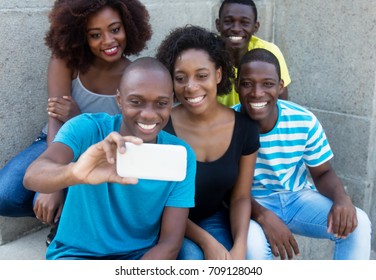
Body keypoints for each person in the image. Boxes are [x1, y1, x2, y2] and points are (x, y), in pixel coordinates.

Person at [0, 0, 152, 245]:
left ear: (129, 27)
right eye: (95, 34)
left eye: (115, 29)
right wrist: (53, 186)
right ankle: (65, 212)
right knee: (5, 195)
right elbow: (55, 122)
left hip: (105, 150)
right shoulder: (65, 62)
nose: (108, 41)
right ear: (81, 36)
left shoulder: (134, 74)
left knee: (96, 169)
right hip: (58, 141)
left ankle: (70, 222)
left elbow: (127, 136)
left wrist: (78, 117)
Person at [23, 57, 196, 260]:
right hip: (77, 255)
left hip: (138, 257)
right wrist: (75, 173)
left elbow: (169, 243)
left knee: (193, 258)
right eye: (136, 101)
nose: (149, 114)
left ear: (171, 102)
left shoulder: (179, 155)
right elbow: (32, 176)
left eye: (161, 103)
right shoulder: (87, 129)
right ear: (119, 100)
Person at [233, 48, 372, 260]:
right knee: (253, 246)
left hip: (296, 198)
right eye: (247, 83)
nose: (257, 92)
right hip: (251, 204)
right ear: (237, 86)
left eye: (268, 84)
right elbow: (226, 188)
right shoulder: (226, 124)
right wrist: (263, 216)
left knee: (359, 223)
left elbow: (322, 173)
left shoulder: (303, 120)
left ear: (280, 87)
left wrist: (341, 198)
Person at [156, 25, 260, 260]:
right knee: (194, 259)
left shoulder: (244, 128)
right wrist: (206, 241)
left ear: (219, 75)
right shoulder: (161, 127)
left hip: (212, 218)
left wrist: (241, 245)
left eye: (201, 76)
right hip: (167, 220)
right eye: (180, 78)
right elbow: (159, 201)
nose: (191, 87)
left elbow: (241, 197)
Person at [216, 0, 291, 106]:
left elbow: (281, 102)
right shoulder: (208, 54)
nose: (236, 29)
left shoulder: (269, 52)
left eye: (245, 23)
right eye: (228, 21)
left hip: (259, 119)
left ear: (255, 27)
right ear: (218, 25)